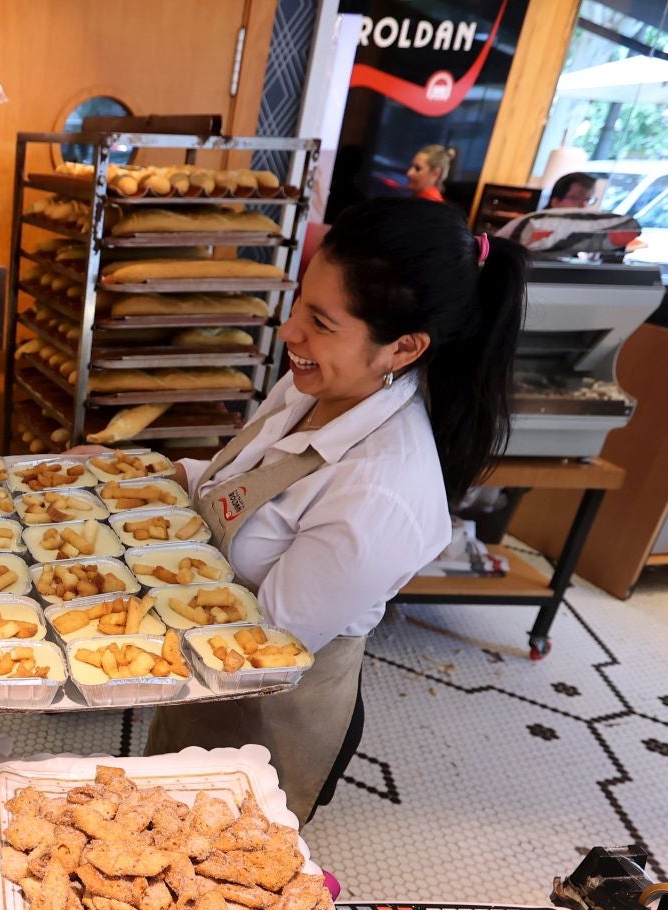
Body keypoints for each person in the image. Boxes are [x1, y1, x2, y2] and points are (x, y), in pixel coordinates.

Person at [143, 198, 528, 822]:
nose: (290, 331)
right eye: (299, 304)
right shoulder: (311, 386)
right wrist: (149, 476)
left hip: (262, 712)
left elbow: (261, 645)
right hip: (200, 685)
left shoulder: (381, 490)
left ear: (402, 349)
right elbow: (242, 491)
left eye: (321, 322)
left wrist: (109, 638)